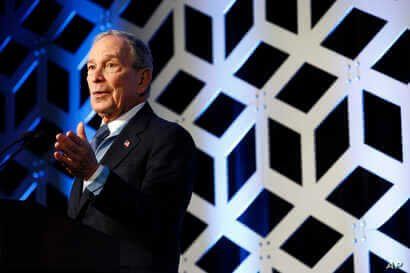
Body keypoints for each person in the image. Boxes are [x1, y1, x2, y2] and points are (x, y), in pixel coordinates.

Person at [53, 30, 196, 273]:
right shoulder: (91, 146)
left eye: (110, 65)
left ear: (142, 80)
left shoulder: (168, 139)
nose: (95, 77)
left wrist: (93, 173)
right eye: (90, 67)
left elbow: (158, 221)